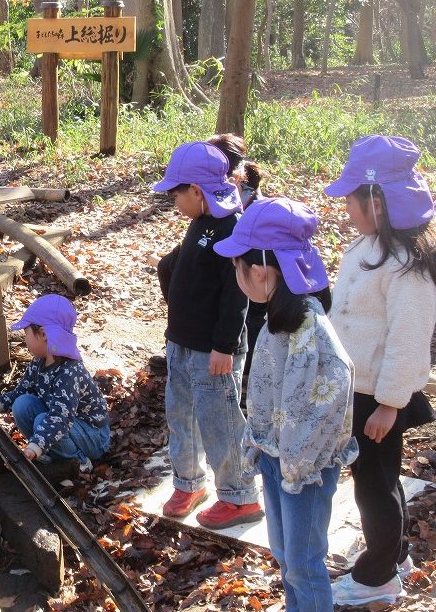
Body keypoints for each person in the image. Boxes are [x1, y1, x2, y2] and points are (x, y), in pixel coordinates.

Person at [214, 197, 358, 611]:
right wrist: (263, 446)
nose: (235, 273)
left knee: (304, 564)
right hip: (277, 456)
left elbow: (335, 385)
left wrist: (297, 459)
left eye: (236, 266)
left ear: (259, 271)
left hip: (305, 469)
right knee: (285, 557)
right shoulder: (276, 315)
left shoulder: (310, 325)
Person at [323, 135, 436, 606]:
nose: (345, 207)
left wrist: (390, 404)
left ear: (378, 201)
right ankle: (399, 553)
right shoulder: (369, 248)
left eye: (351, 198)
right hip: (361, 389)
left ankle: (377, 576)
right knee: (378, 479)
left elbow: (409, 340)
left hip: (379, 397)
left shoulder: (407, 268)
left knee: (374, 489)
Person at [152, 141, 262, 529]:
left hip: (213, 350)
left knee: (221, 420)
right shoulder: (201, 220)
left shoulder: (232, 225)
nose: (174, 201)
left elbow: (237, 296)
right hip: (182, 343)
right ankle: (189, 483)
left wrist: (224, 346)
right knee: (181, 415)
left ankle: (239, 496)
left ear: (196, 191)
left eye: (176, 193)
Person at [0, 294, 110, 472]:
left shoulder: (69, 372)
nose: (25, 338)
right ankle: (50, 453)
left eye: (27, 333)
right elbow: (19, 394)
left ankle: (79, 461)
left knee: (43, 421)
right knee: (22, 404)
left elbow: (60, 418)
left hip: (93, 435)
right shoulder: (38, 363)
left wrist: (34, 447)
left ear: (43, 334)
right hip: (66, 427)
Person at [206, 133, 268, 380]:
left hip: (254, 301)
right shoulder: (216, 202)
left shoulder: (253, 212)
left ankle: (245, 372)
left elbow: (244, 287)